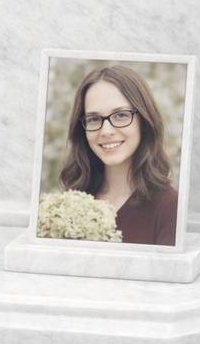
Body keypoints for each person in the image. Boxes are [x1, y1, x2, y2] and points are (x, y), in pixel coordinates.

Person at [60, 65, 178, 246]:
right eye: (93, 119)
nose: (106, 131)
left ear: (144, 121)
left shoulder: (170, 208)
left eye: (121, 115)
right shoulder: (70, 203)